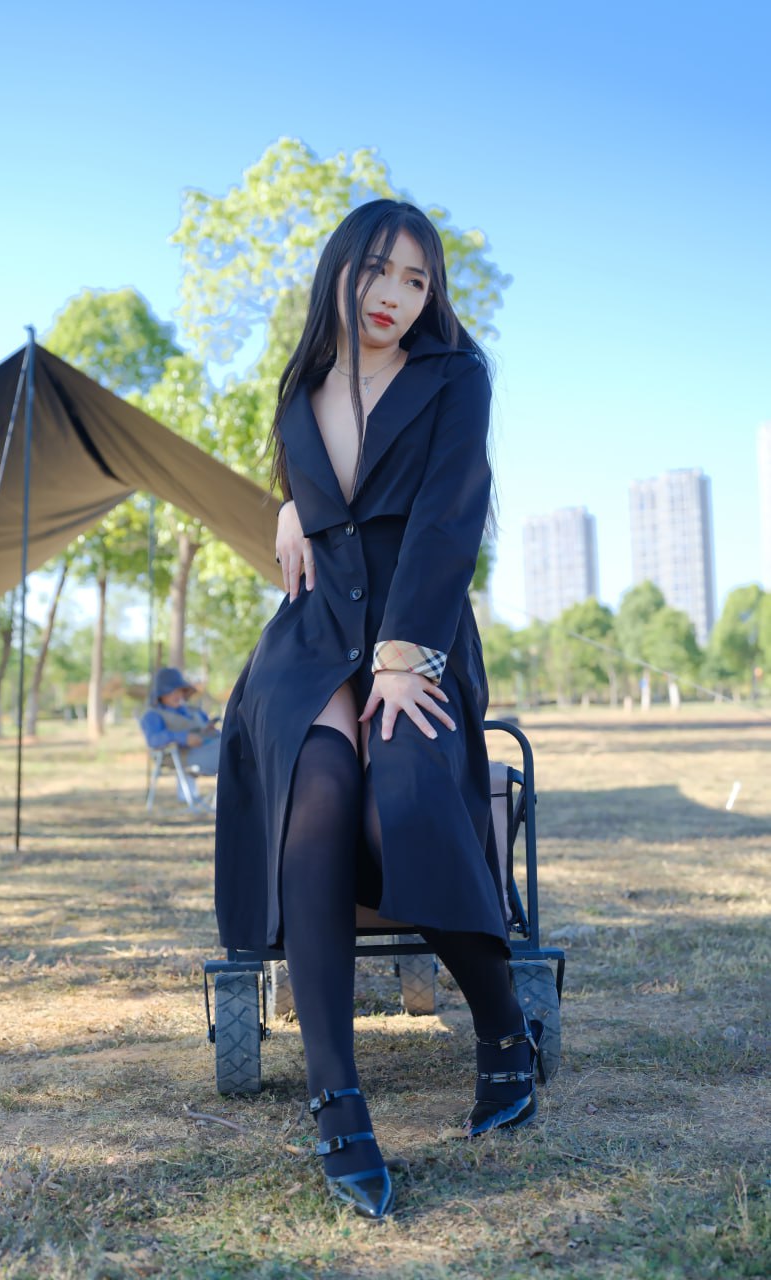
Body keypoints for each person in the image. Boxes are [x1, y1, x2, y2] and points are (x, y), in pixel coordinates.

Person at [214, 200, 540, 1221]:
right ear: (340, 272)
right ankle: (336, 1099)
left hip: (414, 632)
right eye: (377, 271)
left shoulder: (455, 377)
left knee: (400, 791)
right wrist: (288, 505)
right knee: (317, 792)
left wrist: (403, 658)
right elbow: (316, 497)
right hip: (311, 644)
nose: (395, 294)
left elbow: (447, 520)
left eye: (416, 278)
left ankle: (503, 1031)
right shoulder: (296, 391)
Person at [141, 668, 220, 797]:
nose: (177, 695)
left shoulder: (192, 710)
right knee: (230, 754)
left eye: (180, 691)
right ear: (161, 694)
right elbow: (153, 740)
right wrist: (183, 738)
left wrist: (208, 728)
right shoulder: (153, 715)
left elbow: (206, 726)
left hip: (210, 745)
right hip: (183, 756)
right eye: (172, 691)